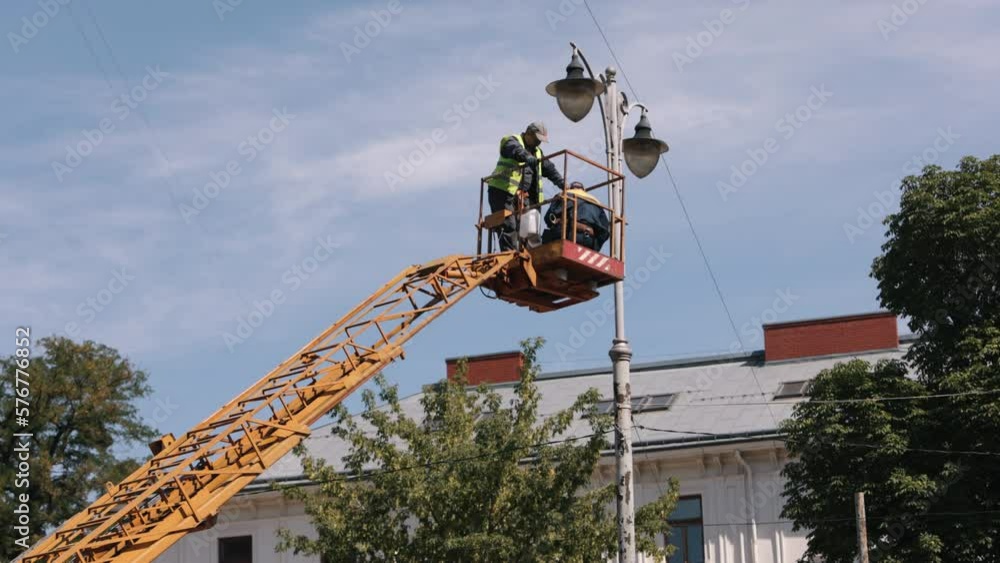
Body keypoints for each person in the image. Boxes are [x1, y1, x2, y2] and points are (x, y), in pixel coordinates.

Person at [485, 121, 566, 250]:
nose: (538, 143)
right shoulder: (511, 141)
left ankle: (530, 258)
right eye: (536, 139)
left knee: (530, 231)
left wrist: (563, 184)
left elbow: (549, 169)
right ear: (528, 133)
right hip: (503, 192)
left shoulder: (538, 152)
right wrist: (526, 156)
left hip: (526, 197)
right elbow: (513, 149)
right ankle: (510, 257)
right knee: (509, 226)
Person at [542, 181, 610, 252]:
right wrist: (596, 245)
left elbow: (548, 218)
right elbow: (605, 230)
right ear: (584, 190)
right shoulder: (596, 202)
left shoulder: (564, 195)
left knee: (547, 237)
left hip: (568, 236)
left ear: (571, 188)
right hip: (589, 241)